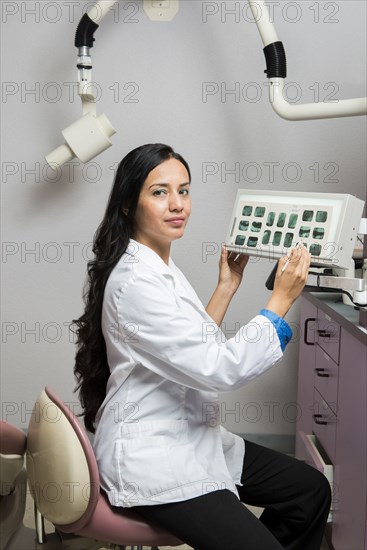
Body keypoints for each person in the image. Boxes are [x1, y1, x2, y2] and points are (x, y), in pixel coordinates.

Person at [73, 143, 331, 550]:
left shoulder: (159, 267)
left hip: (191, 435)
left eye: (185, 190)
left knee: (310, 491)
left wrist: (226, 287)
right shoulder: (137, 282)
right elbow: (217, 369)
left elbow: (188, 347)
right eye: (159, 192)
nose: (177, 204)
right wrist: (280, 300)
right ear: (127, 204)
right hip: (153, 457)